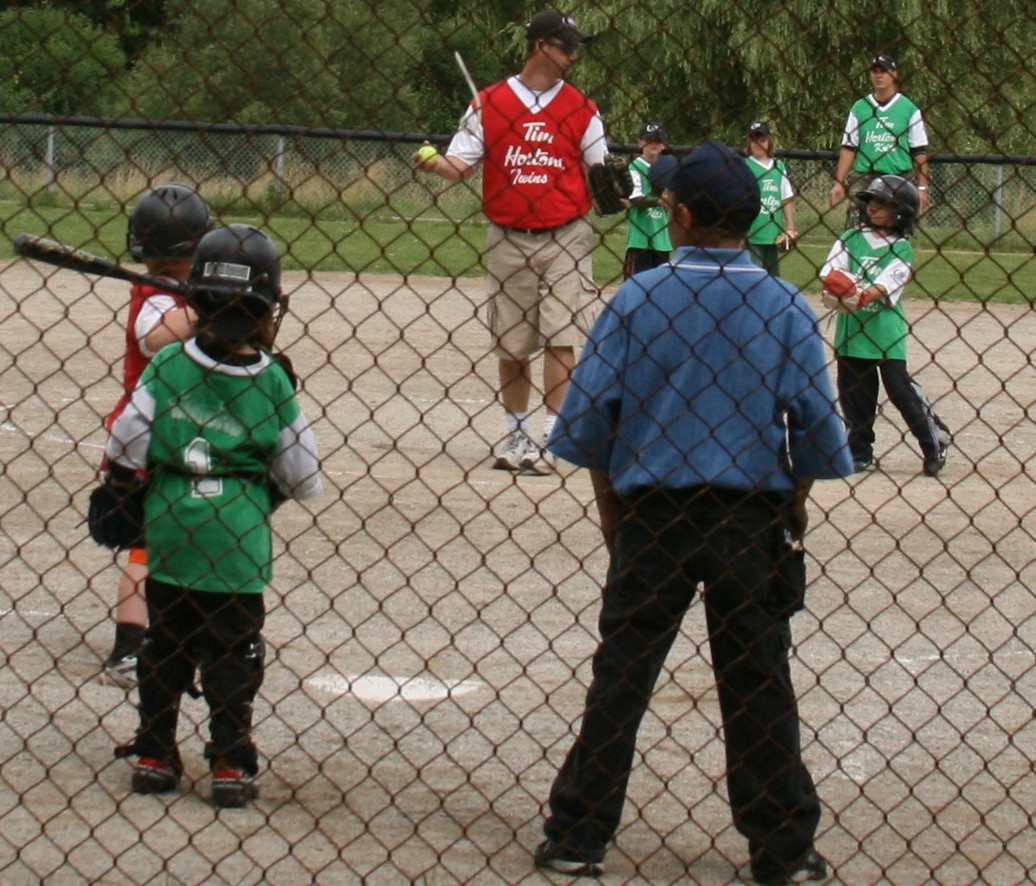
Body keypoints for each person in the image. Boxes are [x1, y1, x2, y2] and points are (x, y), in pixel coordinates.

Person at [534, 141, 852, 884]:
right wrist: (793, 505)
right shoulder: (783, 305)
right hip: (749, 516)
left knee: (623, 671)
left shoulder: (637, 299)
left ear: (678, 215)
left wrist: (614, 515)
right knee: (759, 678)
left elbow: (594, 423)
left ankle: (579, 832)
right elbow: (814, 427)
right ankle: (782, 848)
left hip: (652, 513)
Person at [107, 225, 322, 807]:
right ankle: (230, 760)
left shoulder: (168, 364)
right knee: (233, 651)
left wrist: (122, 491)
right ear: (269, 307)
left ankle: (155, 753)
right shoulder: (273, 380)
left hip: (171, 527)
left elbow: (127, 442)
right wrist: (259, 487)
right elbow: (303, 477)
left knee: (165, 645)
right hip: (237, 538)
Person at [415, 9, 607, 476]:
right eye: (566, 46)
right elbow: (460, 166)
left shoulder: (582, 108)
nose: (574, 55)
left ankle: (552, 437)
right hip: (509, 234)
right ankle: (516, 433)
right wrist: (433, 162)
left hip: (566, 234)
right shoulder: (490, 103)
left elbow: (599, 170)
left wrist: (616, 188)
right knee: (513, 341)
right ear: (541, 45)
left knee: (562, 336)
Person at [99, 183, 214, 688]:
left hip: (180, 436)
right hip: (148, 439)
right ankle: (127, 651)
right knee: (147, 550)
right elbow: (154, 338)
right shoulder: (155, 294)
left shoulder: (177, 292)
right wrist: (203, 305)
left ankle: (178, 631)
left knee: (185, 542)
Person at [820, 175, 951, 477]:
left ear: (901, 212)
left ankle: (934, 440)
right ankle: (859, 451)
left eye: (883, 203)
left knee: (899, 388)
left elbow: (886, 283)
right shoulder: (850, 238)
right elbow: (831, 271)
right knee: (854, 392)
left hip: (884, 330)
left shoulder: (901, 248)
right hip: (851, 330)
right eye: (871, 201)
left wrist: (860, 295)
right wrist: (839, 287)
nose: (873, 208)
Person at [829, 54, 930, 216]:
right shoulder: (859, 107)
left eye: (884, 71)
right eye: (875, 71)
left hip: (898, 177)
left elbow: (919, 151)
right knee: (856, 222)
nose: (879, 75)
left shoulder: (909, 108)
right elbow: (849, 147)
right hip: (865, 176)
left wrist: (922, 188)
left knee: (898, 223)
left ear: (894, 74)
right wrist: (839, 182)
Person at [744, 121, 798, 275]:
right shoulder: (745, 166)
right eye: (754, 140)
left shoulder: (778, 166)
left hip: (774, 233)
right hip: (752, 232)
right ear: (749, 142)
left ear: (769, 142)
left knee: (773, 276)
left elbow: (786, 198)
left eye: (762, 140)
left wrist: (790, 228)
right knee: (754, 275)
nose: (758, 144)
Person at [621, 121, 672, 279]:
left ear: (664, 145)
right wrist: (658, 201)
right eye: (649, 140)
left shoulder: (667, 168)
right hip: (640, 239)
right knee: (636, 284)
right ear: (640, 142)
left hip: (662, 239)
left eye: (658, 141)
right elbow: (635, 198)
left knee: (660, 285)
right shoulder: (635, 167)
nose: (653, 144)